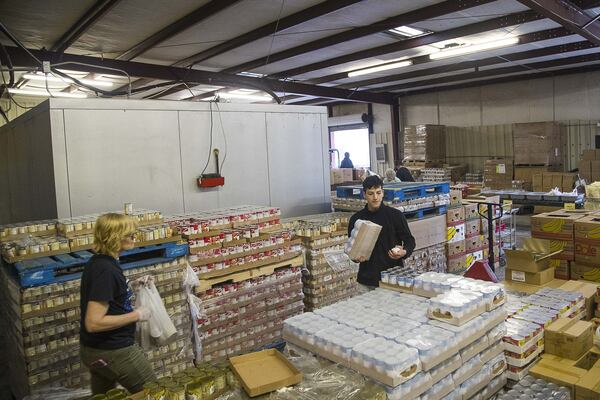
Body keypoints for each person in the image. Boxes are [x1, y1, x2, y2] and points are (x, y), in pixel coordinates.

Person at [80, 213, 156, 395]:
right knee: (155, 394)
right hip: (115, 351)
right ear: (114, 236)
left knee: (105, 396)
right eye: (129, 233)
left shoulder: (99, 262)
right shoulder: (106, 270)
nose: (134, 236)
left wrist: (131, 286)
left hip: (94, 350)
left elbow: (108, 296)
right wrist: (136, 315)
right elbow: (93, 322)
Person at [348, 175, 416, 288]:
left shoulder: (395, 216)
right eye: (371, 193)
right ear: (364, 194)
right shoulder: (356, 219)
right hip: (367, 280)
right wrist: (355, 258)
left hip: (392, 278)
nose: (375, 197)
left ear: (383, 193)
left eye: (378, 192)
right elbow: (352, 249)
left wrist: (404, 252)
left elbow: (410, 240)